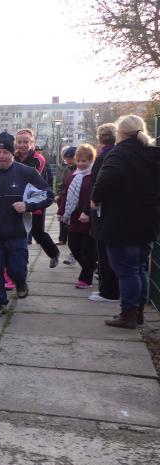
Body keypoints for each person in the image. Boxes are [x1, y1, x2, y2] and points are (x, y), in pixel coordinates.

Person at [0, 132, 54, 318]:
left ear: (12, 153)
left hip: (17, 232)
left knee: (17, 269)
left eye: (5, 152)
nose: (1, 156)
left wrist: (28, 205)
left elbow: (47, 194)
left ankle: (20, 282)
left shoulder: (26, 173)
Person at [91, 115, 160, 328]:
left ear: (120, 132)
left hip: (121, 222)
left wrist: (96, 197)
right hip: (148, 221)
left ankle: (128, 313)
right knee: (138, 268)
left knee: (126, 270)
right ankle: (137, 313)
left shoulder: (119, 153)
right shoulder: (152, 154)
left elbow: (107, 178)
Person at [14, 128, 60, 267]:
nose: (22, 145)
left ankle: (54, 253)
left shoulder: (38, 159)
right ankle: (20, 262)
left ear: (32, 143)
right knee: (19, 231)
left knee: (37, 232)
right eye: (19, 142)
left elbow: (33, 180)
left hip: (36, 199)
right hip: (18, 199)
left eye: (26, 142)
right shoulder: (13, 157)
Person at [88, 123, 120, 303]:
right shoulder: (118, 154)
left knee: (105, 251)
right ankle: (110, 289)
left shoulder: (105, 157)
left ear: (100, 138)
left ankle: (108, 291)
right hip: (117, 210)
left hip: (103, 211)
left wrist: (94, 200)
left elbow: (97, 183)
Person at [57, 144, 97, 289]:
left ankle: (85, 278)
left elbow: (94, 196)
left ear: (91, 160)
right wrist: (61, 212)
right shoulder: (73, 176)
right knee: (73, 245)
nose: (80, 164)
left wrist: (88, 213)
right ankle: (92, 267)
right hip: (74, 217)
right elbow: (66, 194)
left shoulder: (94, 176)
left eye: (84, 161)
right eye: (78, 161)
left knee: (88, 249)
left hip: (88, 218)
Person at [56, 146, 77, 249]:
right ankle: (62, 238)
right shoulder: (67, 170)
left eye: (70, 159)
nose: (68, 161)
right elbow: (61, 183)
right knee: (62, 218)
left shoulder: (79, 169)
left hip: (76, 199)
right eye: (66, 159)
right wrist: (59, 194)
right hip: (65, 197)